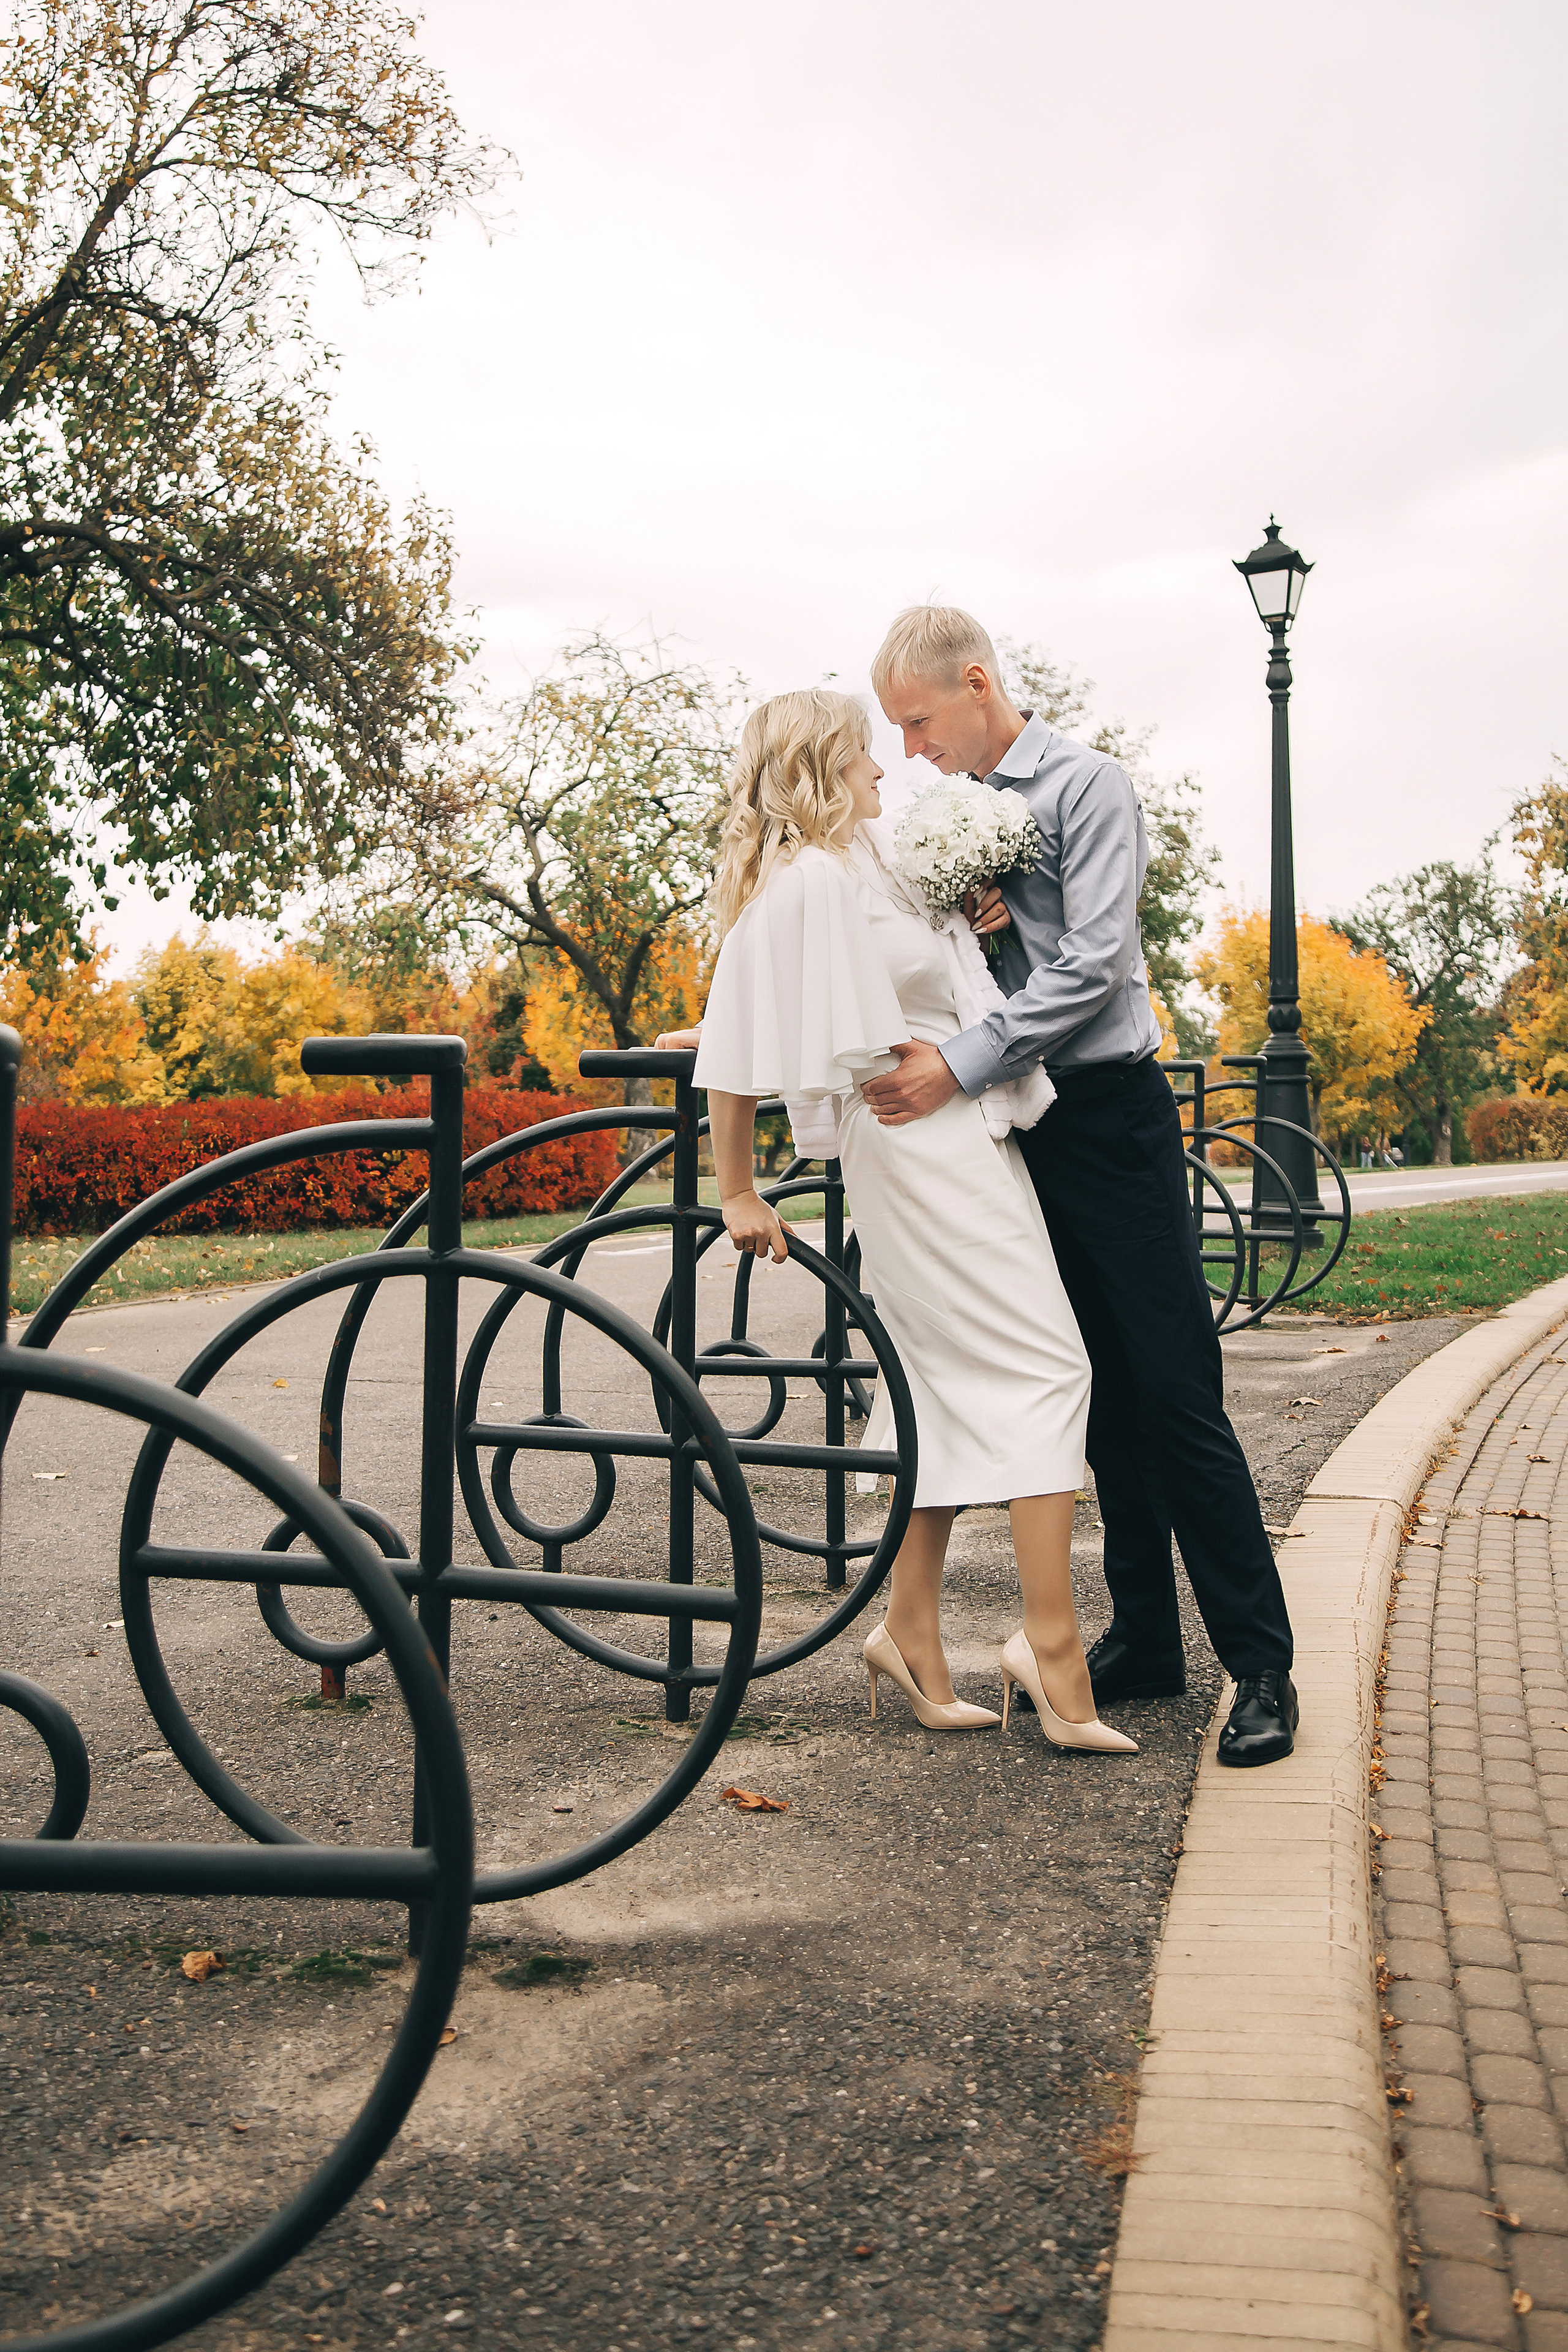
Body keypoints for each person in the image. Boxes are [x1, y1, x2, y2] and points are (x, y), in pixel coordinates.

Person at [658, 688, 1134, 1755]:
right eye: (865, 757)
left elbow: (922, 971)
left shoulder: (867, 858)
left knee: (943, 1383)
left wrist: (977, 913)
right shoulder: (808, 879)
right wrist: (737, 1190)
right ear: (821, 772)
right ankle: (1052, 1650)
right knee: (1052, 1366)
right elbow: (734, 1043)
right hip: (912, 1142)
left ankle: (912, 1632)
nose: (887, 770)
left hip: (963, 1126)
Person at [862, 605, 1297, 1768]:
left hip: (1109, 1115)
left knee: (1176, 1391)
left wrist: (960, 1059)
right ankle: (1145, 1639)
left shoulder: (1088, 786)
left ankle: (1262, 1666)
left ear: (976, 683)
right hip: (1019, 1132)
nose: (911, 749)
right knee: (1091, 1394)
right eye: (897, 732)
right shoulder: (946, 812)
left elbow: (1099, 963)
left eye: (919, 721)